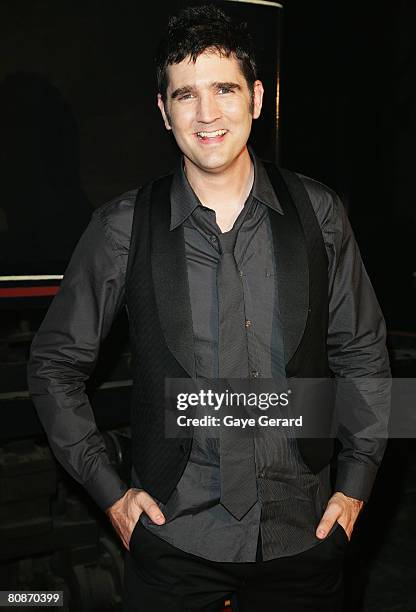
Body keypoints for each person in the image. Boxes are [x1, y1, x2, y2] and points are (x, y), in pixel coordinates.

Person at [28, 5, 391, 611]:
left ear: (255, 97)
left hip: (306, 536)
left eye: (223, 88)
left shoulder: (320, 213)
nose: (206, 114)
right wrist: (112, 494)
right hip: (174, 540)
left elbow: (365, 354)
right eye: (185, 94)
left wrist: (356, 486)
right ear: (163, 111)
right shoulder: (122, 227)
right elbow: (51, 366)